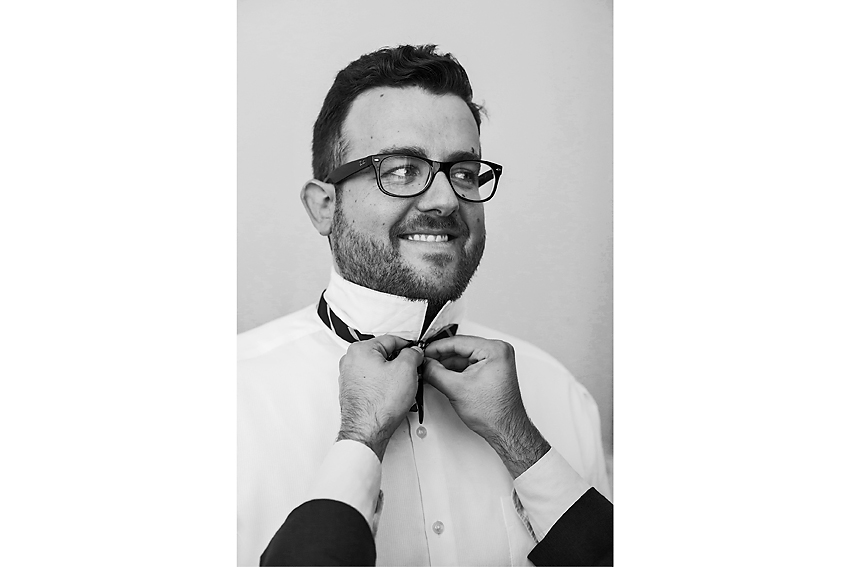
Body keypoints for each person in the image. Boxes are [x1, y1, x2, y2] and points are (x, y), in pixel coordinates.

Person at [238, 44, 612, 566]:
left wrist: (519, 441)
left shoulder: (562, 398)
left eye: (464, 171)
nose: (444, 201)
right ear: (324, 206)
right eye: (401, 169)